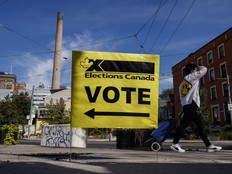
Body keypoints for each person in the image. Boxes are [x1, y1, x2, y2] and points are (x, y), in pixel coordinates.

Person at [170, 63, 222, 153]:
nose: (196, 71)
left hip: (186, 105)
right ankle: (175, 143)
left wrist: (184, 104)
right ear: (191, 70)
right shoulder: (192, 76)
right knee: (185, 124)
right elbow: (204, 69)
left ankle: (209, 145)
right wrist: (198, 67)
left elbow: (181, 96)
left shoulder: (182, 83)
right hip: (191, 104)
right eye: (195, 70)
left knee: (199, 125)